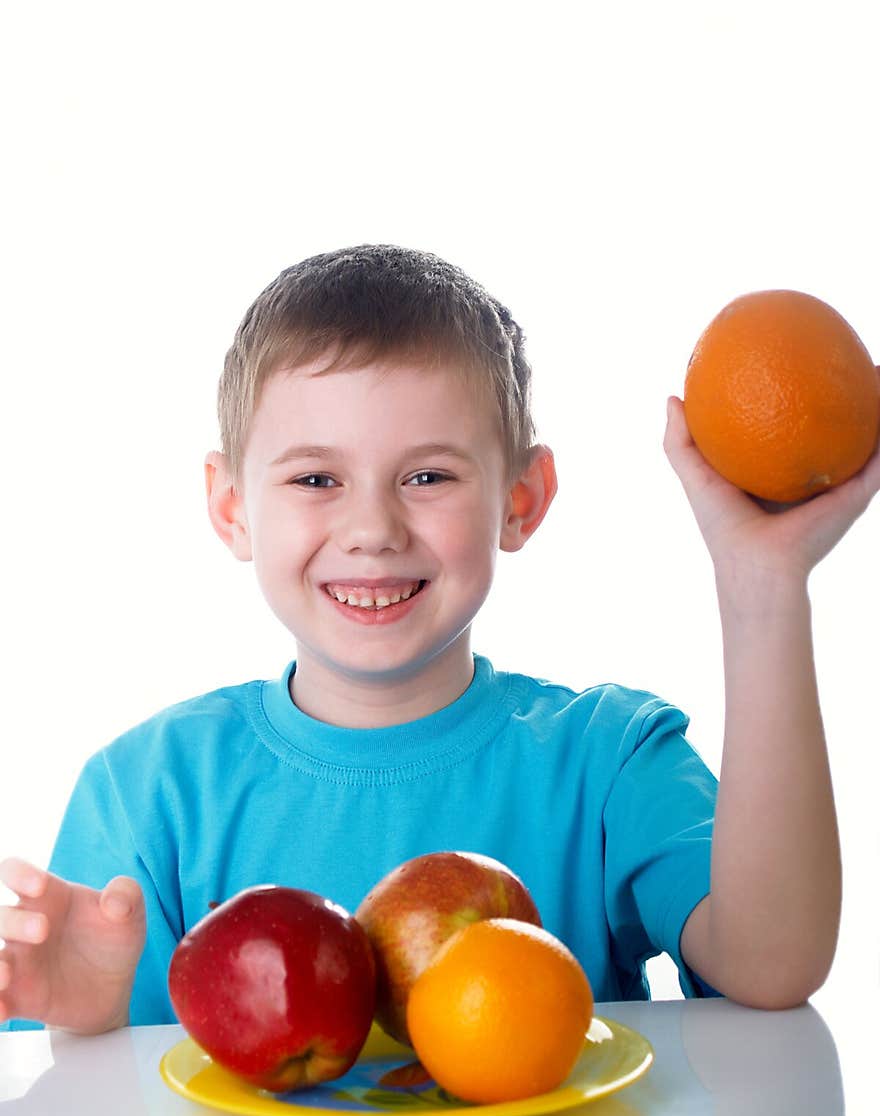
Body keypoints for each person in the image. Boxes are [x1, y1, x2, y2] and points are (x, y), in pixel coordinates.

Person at [1, 244, 878, 1035]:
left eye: (426, 475)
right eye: (316, 478)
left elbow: (774, 965)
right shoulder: (147, 793)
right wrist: (85, 1035)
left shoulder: (609, 761)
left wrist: (764, 587)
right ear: (232, 508)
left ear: (521, 499)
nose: (372, 529)